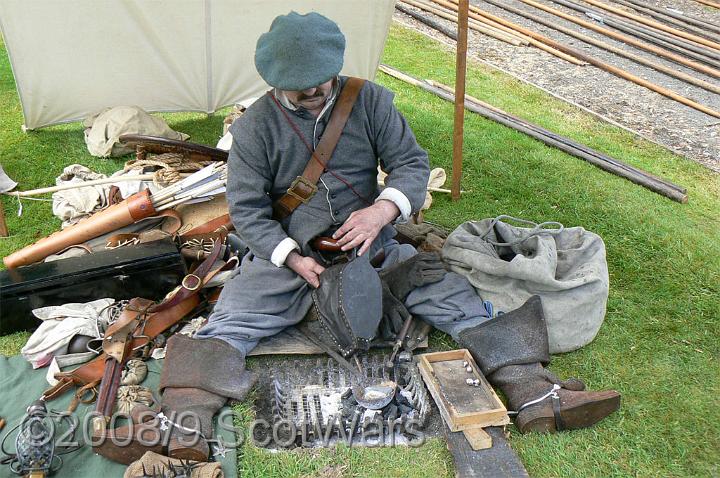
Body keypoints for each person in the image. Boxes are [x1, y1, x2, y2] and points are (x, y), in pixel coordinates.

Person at [98, 11, 620, 464]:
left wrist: (382, 210)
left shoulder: (368, 102)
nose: (318, 90)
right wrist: (289, 257)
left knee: (449, 295)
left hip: (374, 247)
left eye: (324, 79)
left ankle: (532, 392)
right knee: (232, 319)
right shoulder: (255, 128)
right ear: (277, 82)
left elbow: (411, 164)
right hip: (288, 257)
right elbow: (248, 212)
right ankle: (182, 426)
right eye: (304, 86)